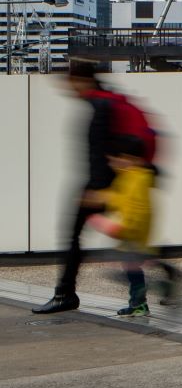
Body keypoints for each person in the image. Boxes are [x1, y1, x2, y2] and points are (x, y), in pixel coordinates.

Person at [33, 60, 132, 315]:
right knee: (128, 235)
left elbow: (100, 150)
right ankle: (65, 292)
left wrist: (95, 188)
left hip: (101, 186)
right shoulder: (104, 101)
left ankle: (65, 294)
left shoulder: (99, 105)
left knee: (73, 236)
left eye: (70, 80)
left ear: (81, 81)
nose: (68, 86)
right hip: (113, 184)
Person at [89, 137, 182, 317]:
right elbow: (121, 200)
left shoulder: (138, 179)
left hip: (134, 235)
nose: (111, 164)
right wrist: (103, 197)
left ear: (128, 158)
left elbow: (139, 210)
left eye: (114, 159)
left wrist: (122, 229)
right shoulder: (128, 177)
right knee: (131, 270)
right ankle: (139, 304)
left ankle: (158, 289)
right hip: (132, 235)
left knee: (121, 272)